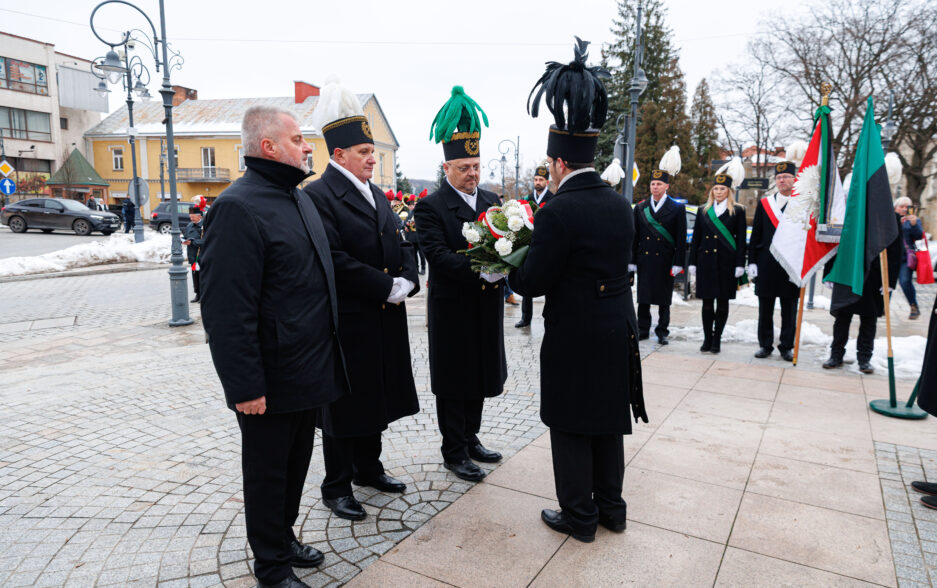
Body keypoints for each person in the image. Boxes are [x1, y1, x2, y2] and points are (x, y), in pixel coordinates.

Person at [200, 105, 347, 588]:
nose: (307, 147)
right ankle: (271, 567)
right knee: (267, 475)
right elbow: (226, 310)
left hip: (307, 370)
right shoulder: (237, 207)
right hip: (269, 378)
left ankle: (283, 539)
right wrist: (245, 385)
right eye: (298, 139)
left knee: (295, 465)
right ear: (268, 146)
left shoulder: (297, 197)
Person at [512, 37, 647, 543]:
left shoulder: (559, 210)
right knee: (608, 421)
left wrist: (508, 270)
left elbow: (535, 280)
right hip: (617, 325)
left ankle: (579, 516)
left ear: (558, 163)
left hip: (575, 333)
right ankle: (612, 509)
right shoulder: (619, 204)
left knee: (570, 422)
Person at [303, 78, 420, 522]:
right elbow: (333, 258)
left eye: (373, 151)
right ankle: (336, 486)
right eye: (365, 152)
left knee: (377, 394)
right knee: (345, 404)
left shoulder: (375, 192)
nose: (373, 158)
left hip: (384, 317)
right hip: (349, 320)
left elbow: (401, 239)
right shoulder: (318, 195)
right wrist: (385, 286)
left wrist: (409, 278)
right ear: (339, 155)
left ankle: (369, 468)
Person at [414, 86, 507, 483]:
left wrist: (506, 265)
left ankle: (471, 438)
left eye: (476, 165)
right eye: (465, 167)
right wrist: (483, 269)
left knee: (481, 372)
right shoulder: (430, 206)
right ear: (447, 167)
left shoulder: (491, 200)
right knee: (455, 380)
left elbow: (506, 243)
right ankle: (453, 450)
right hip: (453, 307)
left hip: (485, 305)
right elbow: (437, 256)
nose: (473, 174)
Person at [822, 214, 901, 374]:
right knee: (842, 318)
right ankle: (836, 355)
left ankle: (864, 358)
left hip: (874, 276)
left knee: (869, 320)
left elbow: (895, 250)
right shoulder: (848, 211)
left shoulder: (888, 214)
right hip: (848, 272)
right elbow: (835, 242)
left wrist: (890, 280)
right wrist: (829, 272)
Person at [688, 162, 748, 354]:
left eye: (722, 189)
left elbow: (741, 240)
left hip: (726, 263)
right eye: (716, 188)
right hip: (705, 262)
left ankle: (717, 339)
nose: (719, 192)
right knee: (707, 303)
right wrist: (692, 262)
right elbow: (696, 238)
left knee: (722, 303)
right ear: (712, 191)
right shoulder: (703, 210)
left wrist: (740, 264)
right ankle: (707, 338)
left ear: (729, 191)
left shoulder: (738, 210)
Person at [629, 147, 686, 345]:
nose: (655, 187)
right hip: (645, 258)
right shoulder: (641, 208)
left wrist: (679, 262)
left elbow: (680, 238)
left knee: (664, 298)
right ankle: (643, 328)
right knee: (643, 297)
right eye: (653, 183)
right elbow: (635, 236)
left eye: (659, 184)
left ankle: (662, 330)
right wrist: (632, 261)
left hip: (665, 258)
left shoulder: (677, 208)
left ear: (666, 186)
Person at [748, 161, 801, 361]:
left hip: (790, 265)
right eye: (778, 177)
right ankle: (765, 344)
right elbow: (756, 234)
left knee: (789, 309)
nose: (782, 180)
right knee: (765, 309)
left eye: (786, 176)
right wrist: (752, 262)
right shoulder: (765, 204)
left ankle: (786, 346)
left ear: (794, 179)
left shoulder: (801, 204)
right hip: (766, 264)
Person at [515, 165, 555, 328]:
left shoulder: (553, 198)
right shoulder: (528, 198)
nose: (537, 182)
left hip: (548, 244)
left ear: (547, 182)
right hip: (529, 243)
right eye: (536, 179)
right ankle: (526, 317)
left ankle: (550, 316)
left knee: (551, 280)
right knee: (527, 278)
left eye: (541, 180)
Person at [894, 196, 924, 319]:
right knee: (886, 283)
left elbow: (919, 236)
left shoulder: (913, 220)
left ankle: (913, 306)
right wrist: (897, 222)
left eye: (907, 207)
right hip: (891, 256)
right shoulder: (890, 218)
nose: (904, 209)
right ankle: (883, 307)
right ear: (895, 208)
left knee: (905, 281)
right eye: (901, 207)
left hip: (906, 258)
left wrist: (914, 224)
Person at [182, 206, 204, 303]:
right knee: (195, 276)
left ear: (199, 216)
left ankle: (203, 295)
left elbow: (207, 240)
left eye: (193, 217)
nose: (191, 219)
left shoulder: (205, 226)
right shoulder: (189, 225)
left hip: (202, 256)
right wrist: (183, 240)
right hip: (192, 256)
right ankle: (197, 294)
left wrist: (193, 242)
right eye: (190, 217)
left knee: (202, 276)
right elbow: (186, 236)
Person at [403, 196, 426, 274]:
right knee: (414, 254)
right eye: (409, 206)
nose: (411, 207)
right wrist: (405, 226)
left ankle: (423, 268)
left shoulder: (418, 212)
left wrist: (413, 223)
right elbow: (405, 222)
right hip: (411, 237)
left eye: (412, 205)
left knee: (421, 254)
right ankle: (416, 268)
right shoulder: (408, 213)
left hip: (419, 236)